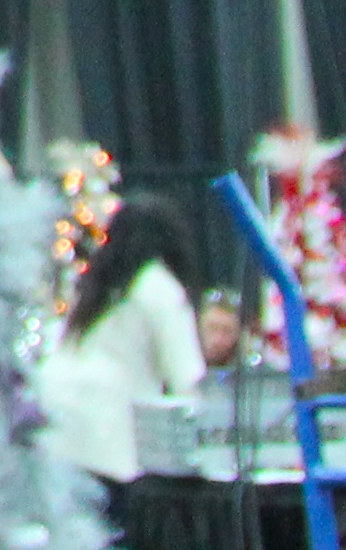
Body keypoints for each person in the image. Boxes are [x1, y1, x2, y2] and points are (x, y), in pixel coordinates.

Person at [45, 203, 210, 488]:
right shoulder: (159, 287)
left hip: (58, 421)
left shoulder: (95, 285)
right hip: (110, 432)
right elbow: (186, 375)